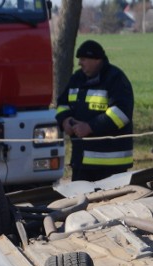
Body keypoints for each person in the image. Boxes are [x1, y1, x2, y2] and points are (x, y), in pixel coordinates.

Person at [55, 40, 134, 182]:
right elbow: (62, 103)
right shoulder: (77, 78)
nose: (80, 63)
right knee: (79, 201)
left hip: (111, 164)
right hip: (81, 161)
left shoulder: (115, 79)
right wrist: (65, 120)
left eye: (83, 59)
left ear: (97, 60)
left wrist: (90, 127)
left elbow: (121, 113)